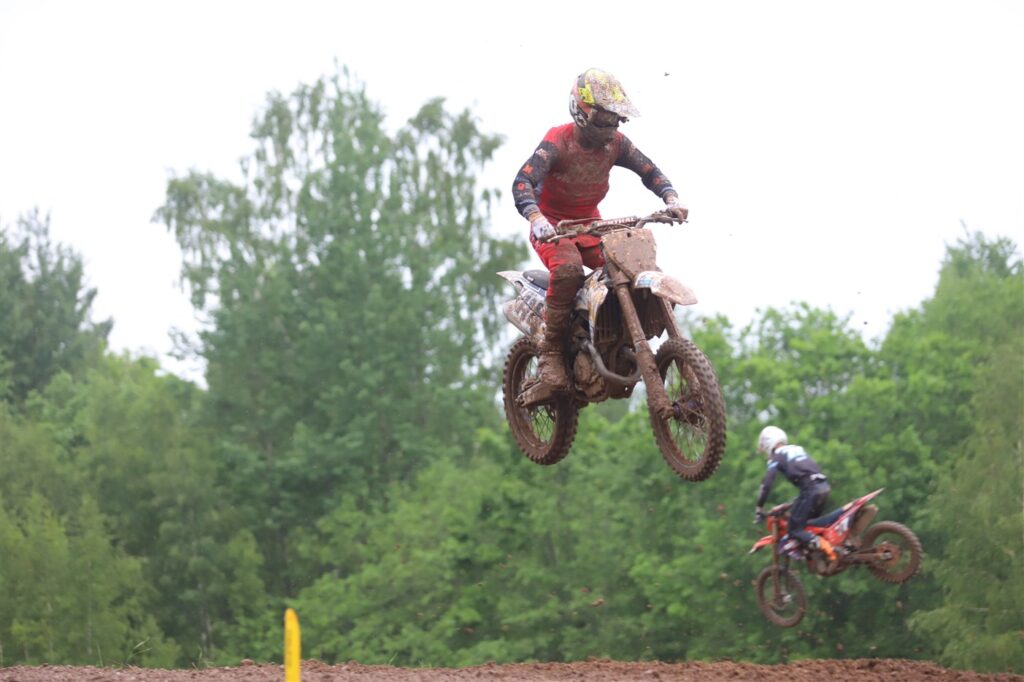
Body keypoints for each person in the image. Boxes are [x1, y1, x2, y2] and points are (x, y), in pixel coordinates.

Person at [511, 68, 689, 391]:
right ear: (582, 112)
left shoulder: (616, 145)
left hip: (592, 226)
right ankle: (551, 354)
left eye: (615, 119)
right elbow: (523, 181)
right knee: (567, 270)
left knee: (636, 267)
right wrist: (536, 218)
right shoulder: (558, 142)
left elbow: (648, 170)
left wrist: (671, 198)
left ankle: (619, 335)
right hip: (554, 228)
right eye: (604, 119)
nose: (611, 126)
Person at [753, 426, 832, 557]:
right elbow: (809, 476)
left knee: (794, 531)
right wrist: (789, 504)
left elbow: (766, 484)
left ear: (768, 443)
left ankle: (824, 545)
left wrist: (759, 507)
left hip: (810, 491)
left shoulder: (778, 456)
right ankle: (823, 555)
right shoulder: (797, 449)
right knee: (809, 526)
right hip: (823, 487)